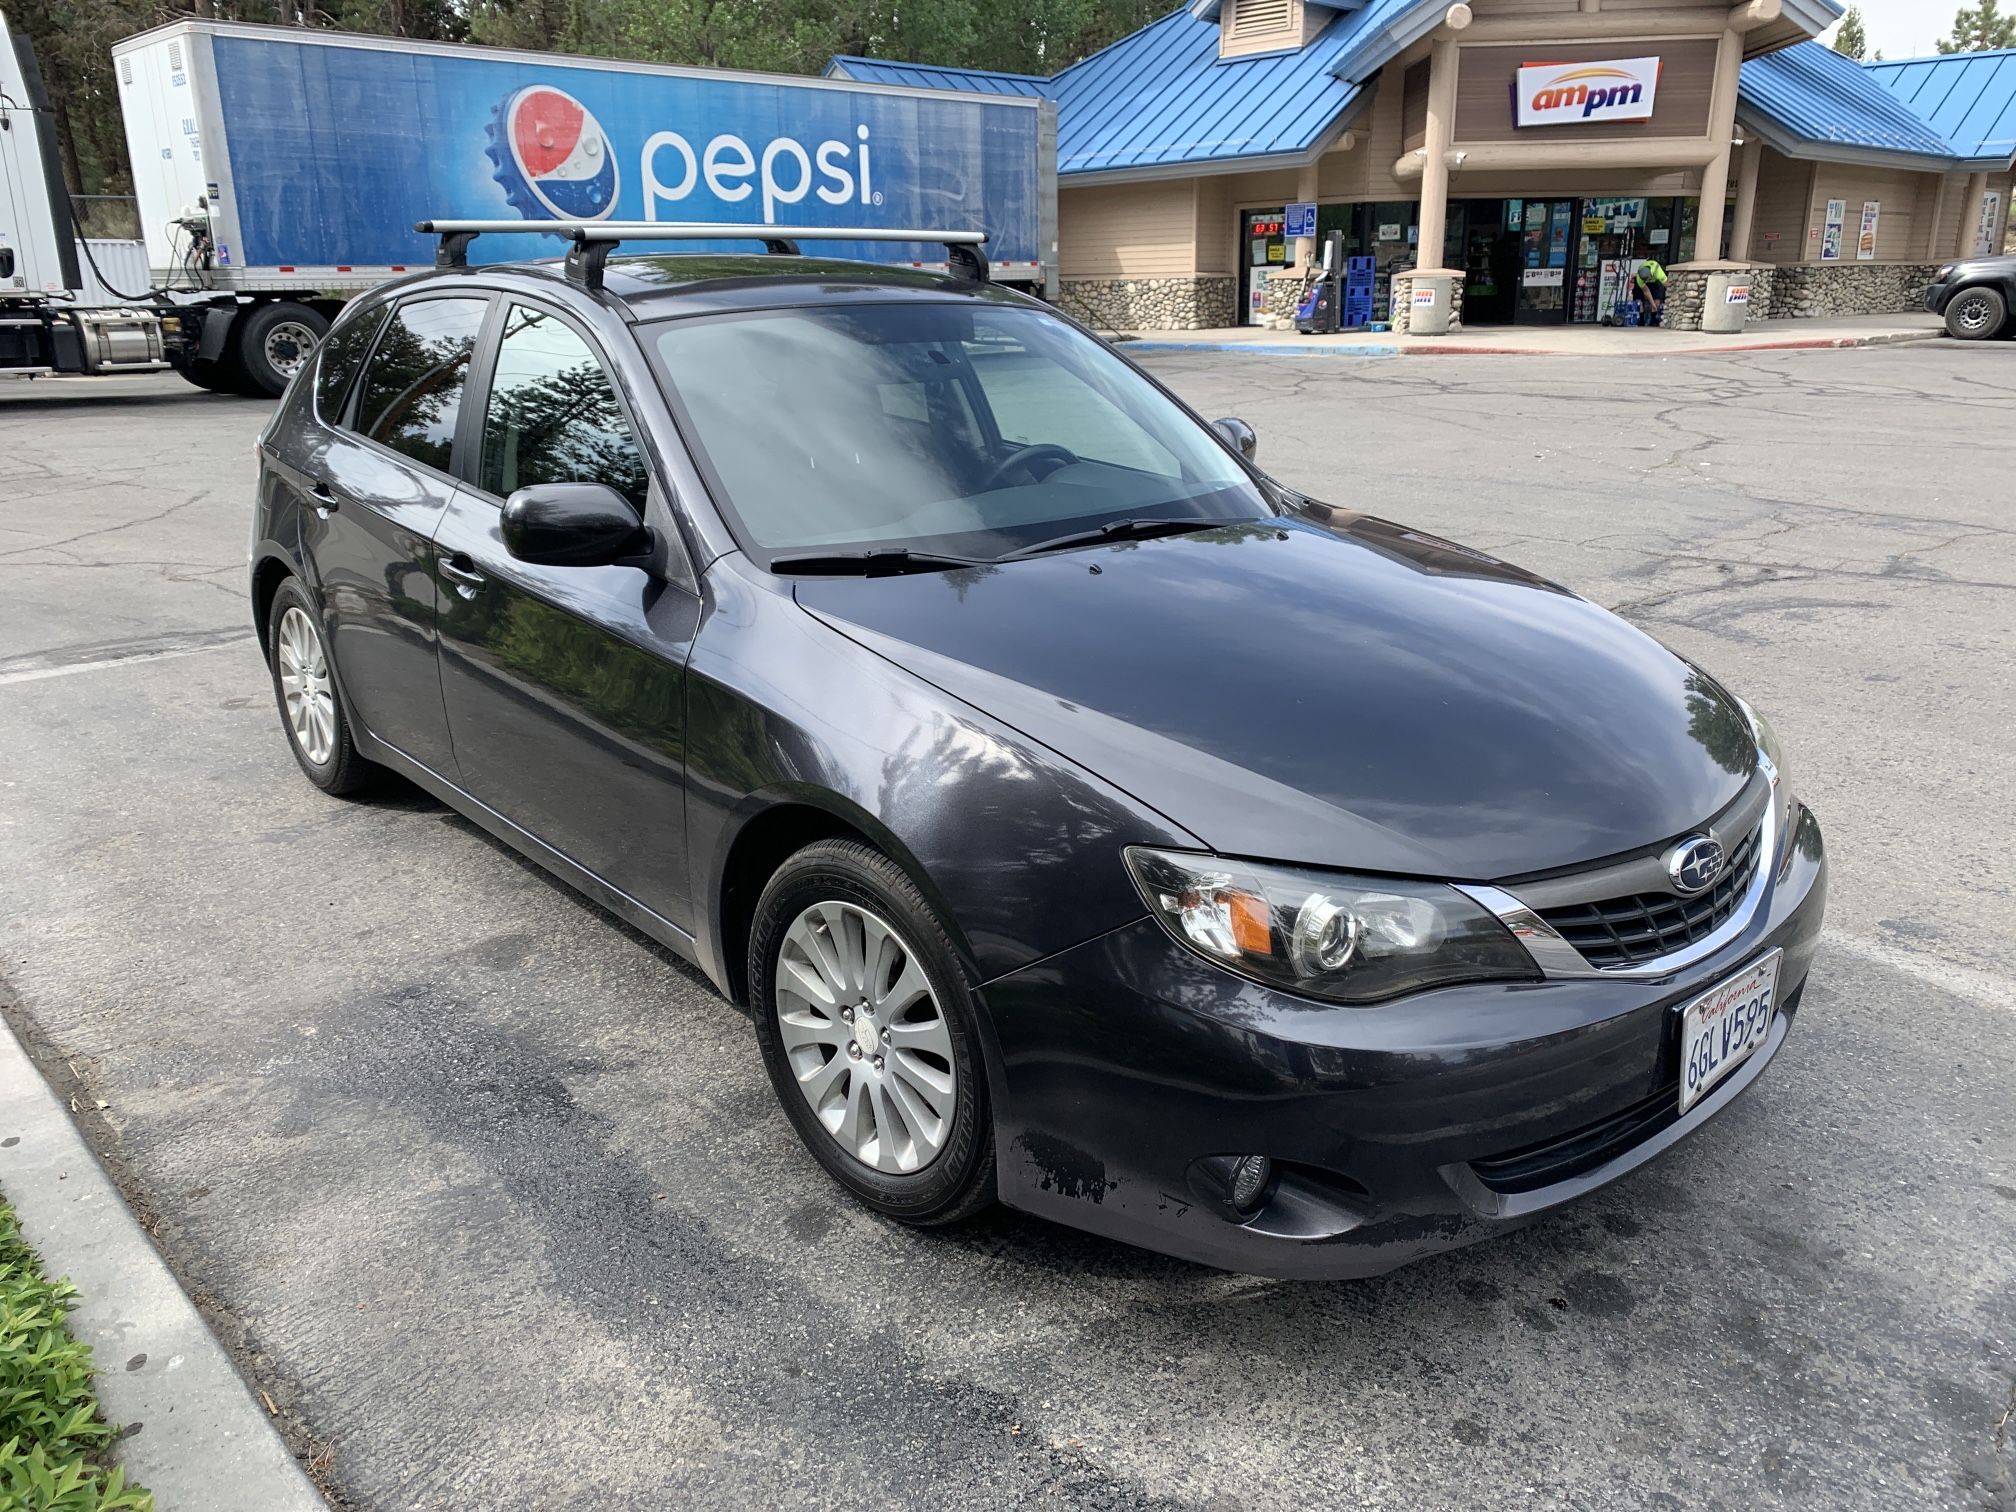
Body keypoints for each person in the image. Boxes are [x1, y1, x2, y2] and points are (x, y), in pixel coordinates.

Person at [1633, 256, 1668, 326]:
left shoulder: (1658, 272)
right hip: (1643, 281)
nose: (1646, 281)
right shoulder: (1639, 278)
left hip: (1655, 281)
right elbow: (1646, 291)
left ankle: (1653, 319)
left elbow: (1667, 285)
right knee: (1638, 298)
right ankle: (1641, 319)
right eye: (1644, 280)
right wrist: (1652, 303)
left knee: (1657, 298)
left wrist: (1655, 305)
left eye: (1647, 279)